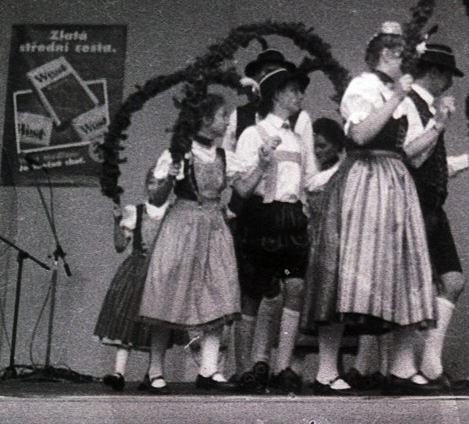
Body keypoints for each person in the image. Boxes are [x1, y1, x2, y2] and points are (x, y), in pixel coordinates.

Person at [300, 22, 436, 394]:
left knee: (402, 270)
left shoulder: (401, 95)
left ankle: (402, 368)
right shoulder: (363, 87)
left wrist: (438, 126)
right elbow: (358, 135)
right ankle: (327, 370)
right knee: (349, 269)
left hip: (395, 181)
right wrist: (395, 99)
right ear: (387, 54)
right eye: (400, 55)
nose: (406, 62)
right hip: (365, 178)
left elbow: (408, 152)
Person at [139, 91, 242, 390]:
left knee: (219, 293)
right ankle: (155, 371)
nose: (226, 121)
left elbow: (243, 188)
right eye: (223, 115)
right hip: (183, 226)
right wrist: (169, 178)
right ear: (205, 120)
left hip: (214, 228)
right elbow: (156, 198)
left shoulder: (223, 155)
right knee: (169, 295)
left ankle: (209, 370)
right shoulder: (177, 154)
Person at [230, 60, 317, 394]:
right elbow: (240, 189)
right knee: (254, 292)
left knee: (294, 288)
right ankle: (246, 368)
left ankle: (283, 366)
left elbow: (308, 180)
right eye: (294, 90)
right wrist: (263, 163)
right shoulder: (253, 134)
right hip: (262, 216)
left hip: (292, 218)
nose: (300, 97)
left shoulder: (297, 138)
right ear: (277, 94)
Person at [402, 41, 469, 386]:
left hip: (433, 206)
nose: (449, 83)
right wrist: (440, 123)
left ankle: (429, 359)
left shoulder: (427, 107)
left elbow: (433, 161)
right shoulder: (410, 104)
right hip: (414, 204)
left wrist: (467, 160)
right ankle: (422, 365)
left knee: (453, 281)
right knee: (417, 287)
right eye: (447, 75)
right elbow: (411, 156)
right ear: (434, 72)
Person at [92, 169, 174, 390]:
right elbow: (120, 246)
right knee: (127, 317)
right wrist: (117, 221)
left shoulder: (174, 213)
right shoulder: (136, 212)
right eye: (150, 182)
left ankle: (153, 373)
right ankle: (119, 372)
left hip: (163, 271)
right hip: (137, 270)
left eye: (159, 183)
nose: (152, 187)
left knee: (157, 322)